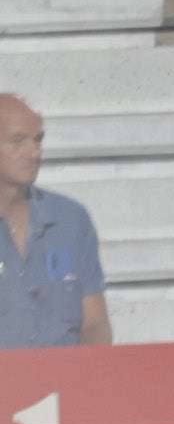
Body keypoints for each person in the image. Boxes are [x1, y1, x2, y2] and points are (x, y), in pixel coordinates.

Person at [0, 93, 107, 348]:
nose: (33, 152)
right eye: (17, 141)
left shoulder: (72, 219)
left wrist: (87, 366)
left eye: (38, 140)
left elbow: (95, 324)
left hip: (68, 371)